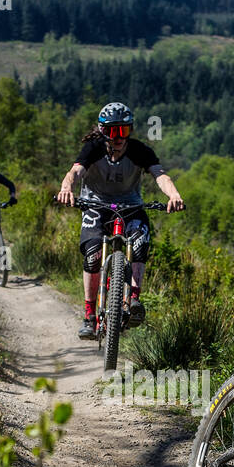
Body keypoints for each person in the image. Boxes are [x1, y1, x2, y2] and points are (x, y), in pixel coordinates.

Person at [55, 101, 184, 340]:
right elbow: (75, 172)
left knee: (140, 241)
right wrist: (66, 189)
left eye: (124, 130)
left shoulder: (139, 151)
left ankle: (133, 298)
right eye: (113, 131)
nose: (119, 137)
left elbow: (160, 175)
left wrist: (173, 194)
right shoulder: (92, 149)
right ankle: (89, 315)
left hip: (130, 205)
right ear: (103, 131)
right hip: (95, 204)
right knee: (92, 255)